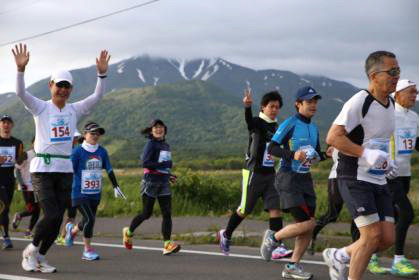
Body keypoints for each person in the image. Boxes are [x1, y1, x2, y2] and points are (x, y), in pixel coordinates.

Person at [13, 43, 111, 273]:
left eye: (67, 87)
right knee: (53, 213)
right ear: (51, 86)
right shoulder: (41, 108)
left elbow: (97, 96)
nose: (63, 90)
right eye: (60, 86)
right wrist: (20, 70)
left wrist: (102, 74)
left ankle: (41, 257)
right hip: (42, 169)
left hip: (65, 169)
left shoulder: (74, 110)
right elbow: (20, 93)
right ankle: (31, 249)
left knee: (58, 221)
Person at [323, 50, 399, 280]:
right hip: (354, 176)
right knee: (370, 236)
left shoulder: (391, 103)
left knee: (386, 239)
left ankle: (340, 255)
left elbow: (378, 139)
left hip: (378, 177)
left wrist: (385, 160)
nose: (397, 76)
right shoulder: (359, 102)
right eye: (392, 72)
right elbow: (333, 137)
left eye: (399, 71)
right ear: (374, 75)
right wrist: (366, 154)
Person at [217, 89, 292, 259]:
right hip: (253, 172)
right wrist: (247, 107)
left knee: (275, 208)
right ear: (263, 107)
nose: (274, 110)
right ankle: (226, 234)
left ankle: (277, 244)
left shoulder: (277, 127)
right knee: (245, 209)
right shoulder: (257, 123)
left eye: (277, 107)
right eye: (271, 106)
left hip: (270, 174)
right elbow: (249, 122)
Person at [260, 86, 324, 280]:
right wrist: (292, 154)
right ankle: (274, 237)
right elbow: (272, 148)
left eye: (315, 101)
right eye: (309, 101)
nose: (313, 105)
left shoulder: (314, 128)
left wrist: (326, 154)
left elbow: (317, 155)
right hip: (288, 177)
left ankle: (292, 266)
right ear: (298, 104)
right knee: (307, 222)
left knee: (307, 226)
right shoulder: (290, 123)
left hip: (305, 179)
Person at [366, 79, 418, 277]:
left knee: (392, 217)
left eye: (416, 92)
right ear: (397, 94)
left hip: (405, 174)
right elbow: (375, 141)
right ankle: (398, 260)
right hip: (389, 175)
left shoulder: (414, 117)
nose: (415, 95)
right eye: (411, 92)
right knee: (407, 214)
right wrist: (383, 164)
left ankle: (370, 254)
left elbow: (415, 142)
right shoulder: (388, 114)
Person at [64, 121, 125, 260]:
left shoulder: (102, 151)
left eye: (98, 133)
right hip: (79, 191)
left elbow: (108, 168)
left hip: (95, 192)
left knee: (87, 219)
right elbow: (69, 171)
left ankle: (72, 230)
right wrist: (64, 189)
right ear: (85, 134)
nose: (95, 136)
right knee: (90, 219)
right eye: (92, 133)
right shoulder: (77, 151)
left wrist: (116, 185)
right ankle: (87, 250)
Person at [122, 119, 180, 255]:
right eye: (156, 127)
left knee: (167, 213)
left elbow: (163, 165)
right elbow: (146, 163)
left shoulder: (165, 145)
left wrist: (169, 175)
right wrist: (165, 165)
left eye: (161, 127)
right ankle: (128, 232)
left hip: (164, 182)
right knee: (146, 213)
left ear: (165, 129)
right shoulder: (151, 144)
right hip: (151, 183)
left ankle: (167, 244)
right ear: (151, 131)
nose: (159, 129)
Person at [309, 147, 359, 255]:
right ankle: (311, 235)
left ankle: (357, 249)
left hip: (357, 178)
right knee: (333, 214)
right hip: (337, 177)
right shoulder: (342, 135)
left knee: (358, 215)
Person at [0, 114, 25, 249]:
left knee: (6, 208)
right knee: (3, 209)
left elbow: (19, 162)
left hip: (10, 179)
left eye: (9, 122)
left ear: (12, 125)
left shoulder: (17, 142)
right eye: (3, 122)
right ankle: (6, 238)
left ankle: (4, 234)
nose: (6, 125)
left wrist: (22, 158)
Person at [56, 131, 82, 246]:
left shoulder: (77, 150)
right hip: (61, 186)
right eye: (74, 137)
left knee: (72, 214)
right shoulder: (61, 150)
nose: (75, 139)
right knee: (58, 214)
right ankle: (54, 235)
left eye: (76, 137)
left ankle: (63, 236)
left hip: (73, 186)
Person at [12, 137, 40, 239]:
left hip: (38, 187)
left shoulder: (42, 155)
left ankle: (28, 231)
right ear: (32, 143)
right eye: (36, 142)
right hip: (27, 187)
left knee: (37, 211)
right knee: (32, 209)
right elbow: (17, 170)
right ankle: (19, 215)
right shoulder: (26, 154)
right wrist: (21, 182)